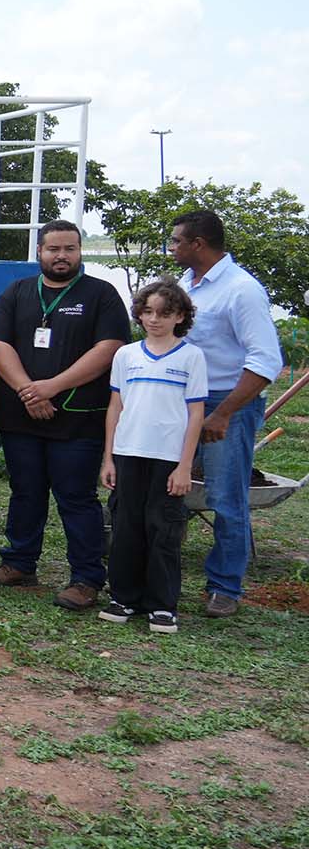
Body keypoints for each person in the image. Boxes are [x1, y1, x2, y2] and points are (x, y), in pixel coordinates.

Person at [0, 221, 131, 609]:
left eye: (69, 249)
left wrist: (51, 387)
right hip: (20, 414)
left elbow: (109, 348)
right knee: (25, 491)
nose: (61, 256)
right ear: (39, 252)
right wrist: (28, 390)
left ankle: (86, 578)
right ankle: (18, 562)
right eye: (53, 249)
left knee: (76, 497)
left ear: (79, 251)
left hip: (78, 417)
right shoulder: (17, 292)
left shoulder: (101, 294)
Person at [171, 209, 284, 617]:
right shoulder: (186, 284)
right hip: (184, 399)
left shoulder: (241, 290)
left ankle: (224, 587)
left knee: (224, 497)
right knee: (170, 485)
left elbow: (266, 361)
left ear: (198, 244)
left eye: (176, 241)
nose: (171, 248)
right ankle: (161, 572)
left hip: (226, 403)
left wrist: (223, 413)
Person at [100, 281, 208, 635]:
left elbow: (195, 414)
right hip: (128, 453)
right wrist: (108, 458)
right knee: (126, 526)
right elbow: (115, 407)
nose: (155, 319)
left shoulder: (191, 356)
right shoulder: (126, 355)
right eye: (147, 312)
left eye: (164, 313)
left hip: (168, 459)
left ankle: (162, 605)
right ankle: (123, 597)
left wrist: (184, 465)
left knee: (163, 529)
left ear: (180, 316)